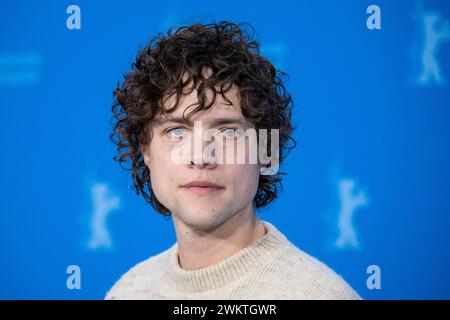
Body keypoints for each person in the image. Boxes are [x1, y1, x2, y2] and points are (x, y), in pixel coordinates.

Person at [106, 21, 361, 300]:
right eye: (176, 131)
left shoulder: (318, 295)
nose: (201, 156)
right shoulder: (128, 292)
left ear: (265, 150)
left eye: (228, 131)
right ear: (146, 150)